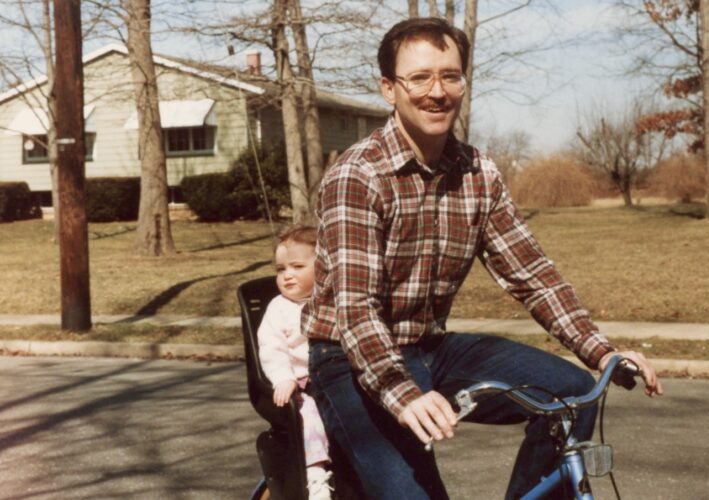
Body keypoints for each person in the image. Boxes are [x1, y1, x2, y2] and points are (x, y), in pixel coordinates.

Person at [302, 17, 663, 500]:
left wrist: (604, 352)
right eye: (419, 78)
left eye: (450, 76)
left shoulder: (478, 173)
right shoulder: (357, 176)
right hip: (347, 358)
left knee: (573, 396)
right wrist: (404, 394)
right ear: (389, 89)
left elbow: (534, 276)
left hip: (431, 348)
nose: (437, 92)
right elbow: (357, 309)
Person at [258, 225, 332, 500]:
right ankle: (315, 477)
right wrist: (283, 378)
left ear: (322, 266)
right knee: (309, 418)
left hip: (334, 378)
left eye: (297, 266)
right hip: (301, 386)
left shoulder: (330, 301)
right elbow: (272, 348)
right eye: (281, 269)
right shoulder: (279, 308)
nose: (287, 275)